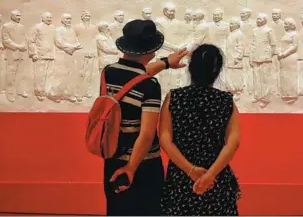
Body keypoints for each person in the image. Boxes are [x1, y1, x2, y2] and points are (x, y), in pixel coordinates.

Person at [101, 19, 188, 216]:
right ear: (151, 51)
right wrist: (131, 167)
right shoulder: (150, 86)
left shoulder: (108, 72)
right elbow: (147, 134)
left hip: (112, 157)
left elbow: (136, 77)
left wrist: (165, 63)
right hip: (142, 165)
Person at [159, 44, 241, 216]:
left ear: (190, 68)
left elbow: (165, 139)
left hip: (180, 178)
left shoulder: (174, 98)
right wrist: (209, 175)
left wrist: (190, 170)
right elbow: (233, 142)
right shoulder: (226, 101)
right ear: (217, 70)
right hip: (216, 178)